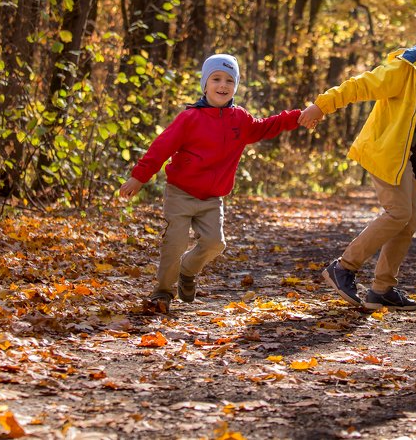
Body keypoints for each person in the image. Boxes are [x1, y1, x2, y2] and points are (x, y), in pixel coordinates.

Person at [298, 11, 416, 311]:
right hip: (386, 151)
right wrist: (321, 105)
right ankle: (344, 267)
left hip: (410, 157)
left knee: (409, 222)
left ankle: (382, 289)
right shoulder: (403, 70)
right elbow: (360, 85)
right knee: (398, 212)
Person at [119, 54, 301, 314]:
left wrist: (298, 116)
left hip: (212, 198)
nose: (223, 85)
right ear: (205, 84)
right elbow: (160, 148)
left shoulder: (240, 119)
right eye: (216, 79)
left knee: (216, 243)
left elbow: (267, 127)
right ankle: (162, 291)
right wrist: (139, 177)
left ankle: (187, 270)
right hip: (180, 193)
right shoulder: (189, 118)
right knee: (175, 241)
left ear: (235, 86)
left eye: (229, 80)